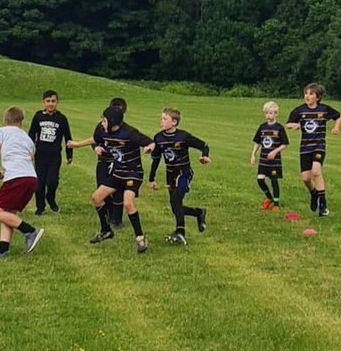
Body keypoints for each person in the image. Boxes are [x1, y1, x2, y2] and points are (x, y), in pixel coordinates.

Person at [76, 104, 153, 253]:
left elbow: (150, 142)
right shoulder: (104, 131)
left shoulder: (130, 133)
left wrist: (148, 147)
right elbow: (95, 140)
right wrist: (86, 146)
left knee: (128, 203)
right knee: (96, 198)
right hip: (118, 173)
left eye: (104, 121)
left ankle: (140, 239)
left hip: (133, 173)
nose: (102, 124)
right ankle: (106, 230)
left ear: (113, 122)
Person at [0, 105, 43, 258]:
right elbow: (26, 159)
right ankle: (2, 249)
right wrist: (1, 176)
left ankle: (30, 231)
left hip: (17, 178)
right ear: (22, 121)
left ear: (4, 120)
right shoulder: (27, 138)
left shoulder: (1, 131)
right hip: (31, 178)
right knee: (7, 213)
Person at [147, 107, 210, 244]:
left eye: (165, 119)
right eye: (161, 118)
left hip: (184, 172)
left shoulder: (183, 136)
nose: (161, 121)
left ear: (174, 122)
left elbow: (204, 145)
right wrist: (151, 179)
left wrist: (204, 156)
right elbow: (156, 159)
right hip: (170, 174)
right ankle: (198, 213)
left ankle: (180, 233)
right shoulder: (158, 138)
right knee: (175, 206)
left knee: (175, 202)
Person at [286, 83, 341, 216]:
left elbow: (338, 116)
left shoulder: (324, 109)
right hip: (305, 148)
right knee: (305, 178)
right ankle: (313, 193)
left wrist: (336, 127)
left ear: (318, 97)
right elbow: (288, 123)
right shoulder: (299, 110)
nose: (307, 96)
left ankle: (322, 206)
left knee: (316, 172)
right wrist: (293, 125)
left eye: (311, 94)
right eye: (306, 93)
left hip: (319, 146)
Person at [28, 90, 74, 216]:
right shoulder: (38, 116)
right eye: (48, 101)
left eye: (53, 101)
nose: (50, 104)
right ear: (43, 102)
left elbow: (67, 137)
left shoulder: (61, 118)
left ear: (57, 102)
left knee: (52, 181)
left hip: (54, 156)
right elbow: (32, 133)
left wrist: (69, 154)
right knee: (39, 184)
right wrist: (29, 149)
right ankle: (40, 207)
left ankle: (51, 198)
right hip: (40, 156)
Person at [250, 100, 288, 210]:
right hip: (263, 161)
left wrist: (275, 151)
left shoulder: (279, 128)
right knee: (260, 179)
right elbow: (257, 142)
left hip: (274, 162)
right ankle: (269, 198)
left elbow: (285, 144)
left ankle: (276, 204)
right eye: (266, 113)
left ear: (276, 114)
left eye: (270, 113)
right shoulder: (262, 127)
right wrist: (253, 154)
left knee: (273, 181)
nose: (268, 115)